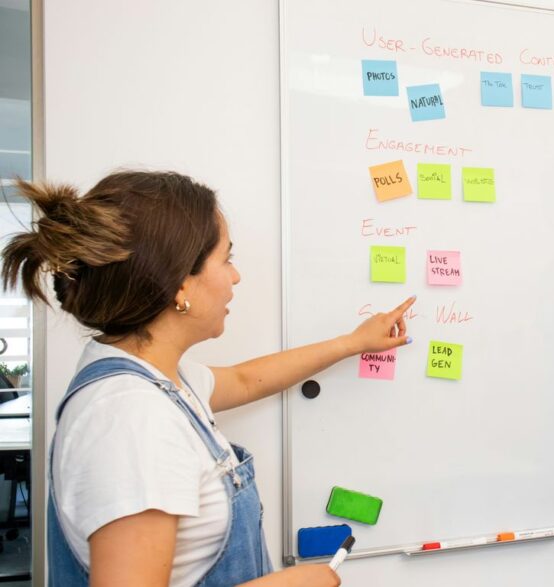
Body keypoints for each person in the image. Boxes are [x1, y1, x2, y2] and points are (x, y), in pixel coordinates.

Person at [2, 171, 416, 586]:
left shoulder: (153, 381)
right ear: (180, 284)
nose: (235, 277)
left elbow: (246, 379)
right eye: (227, 259)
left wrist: (352, 342)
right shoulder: (131, 417)